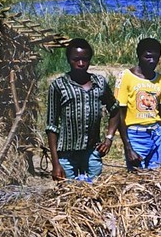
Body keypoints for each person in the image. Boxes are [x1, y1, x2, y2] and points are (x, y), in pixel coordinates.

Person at [44, 37, 117, 182]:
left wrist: (108, 139)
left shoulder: (99, 83)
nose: (81, 64)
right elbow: (52, 126)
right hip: (67, 155)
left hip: (92, 152)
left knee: (95, 190)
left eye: (85, 59)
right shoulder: (59, 86)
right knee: (68, 191)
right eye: (76, 59)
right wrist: (56, 163)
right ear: (68, 60)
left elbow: (115, 109)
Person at [107, 37, 161, 171]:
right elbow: (120, 114)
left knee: (156, 175)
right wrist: (128, 148)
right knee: (137, 176)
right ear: (139, 55)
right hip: (135, 135)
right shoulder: (126, 76)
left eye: (155, 57)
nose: (151, 61)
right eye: (147, 57)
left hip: (156, 134)